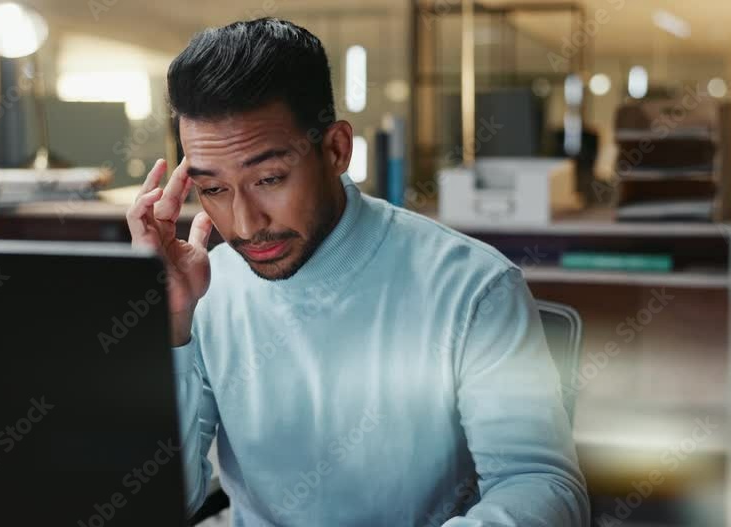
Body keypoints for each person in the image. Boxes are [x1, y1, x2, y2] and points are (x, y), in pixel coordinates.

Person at [125, 17, 589, 527]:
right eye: (213, 190)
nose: (245, 223)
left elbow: (541, 484)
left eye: (270, 179)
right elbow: (170, 499)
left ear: (337, 150)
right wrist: (171, 325)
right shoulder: (205, 289)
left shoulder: (472, 287)